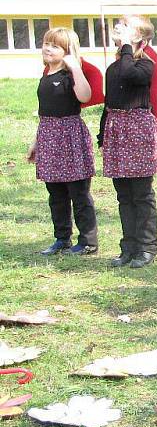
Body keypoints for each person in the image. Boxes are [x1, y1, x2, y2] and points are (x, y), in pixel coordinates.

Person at [99, 15, 157, 269]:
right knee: (123, 194)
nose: (118, 28)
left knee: (141, 193)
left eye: (126, 26)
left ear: (141, 38)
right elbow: (109, 103)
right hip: (117, 131)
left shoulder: (145, 65)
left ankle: (147, 247)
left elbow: (130, 74)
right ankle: (128, 247)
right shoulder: (113, 67)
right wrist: (102, 134)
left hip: (138, 131)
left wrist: (127, 46)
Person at [26, 27, 98, 256]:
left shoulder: (70, 75)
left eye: (55, 45)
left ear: (67, 51)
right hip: (48, 135)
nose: (47, 48)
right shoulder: (45, 75)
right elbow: (44, 112)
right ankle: (61, 238)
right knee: (55, 193)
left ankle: (87, 241)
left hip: (70, 136)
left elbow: (85, 96)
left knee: (78, 192)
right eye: (46, 43)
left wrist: (75, 67)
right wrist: (36, 141)